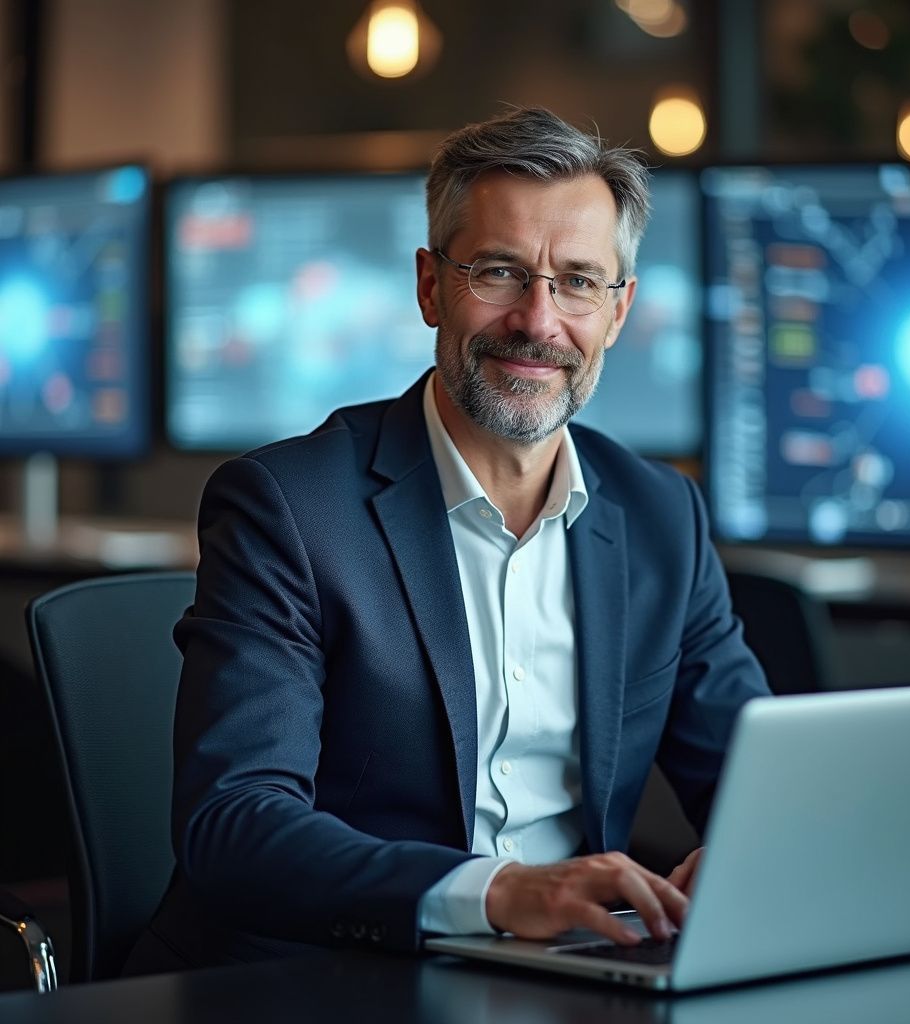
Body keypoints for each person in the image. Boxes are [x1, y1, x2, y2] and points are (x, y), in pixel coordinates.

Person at [125, 106, 769, 974]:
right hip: (319, 976)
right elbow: (234, 822)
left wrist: (749, 856)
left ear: (618, 312)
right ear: (431, 285)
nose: (539, 321)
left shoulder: (663, 517)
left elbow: (757, 778)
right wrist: (498, 894)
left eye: (579, 281)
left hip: (570, 974)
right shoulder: (286, 506)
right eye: (500, 272)